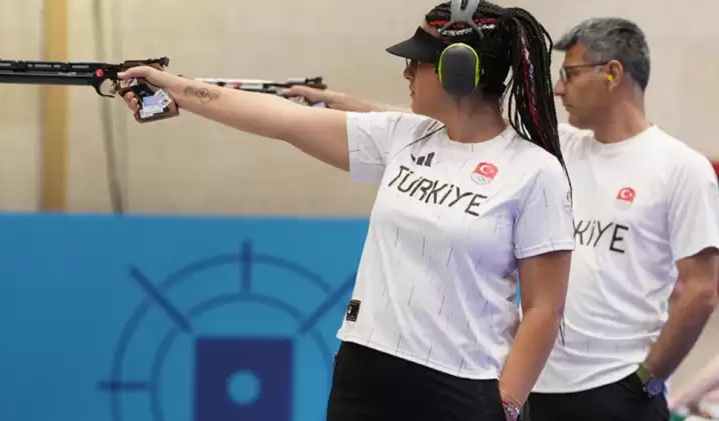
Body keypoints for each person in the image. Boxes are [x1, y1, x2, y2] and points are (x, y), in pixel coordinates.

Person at [114, 1, 575, 420]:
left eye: (416, 62)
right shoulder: (402, 137)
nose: (406, 73)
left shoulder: (535, 172)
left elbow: (544, 308)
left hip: (463, 385)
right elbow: (280, 120)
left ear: (458, 71)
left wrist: (505, 404)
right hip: (365, 371)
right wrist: (177, 88)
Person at [284, 15, 719, 421]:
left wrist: (646, 379)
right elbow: (433, 125)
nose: (558, 89)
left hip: (615, 388)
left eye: (570, 74)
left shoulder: (681, 169)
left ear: (613, 73)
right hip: (531, 384)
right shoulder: (551, 149)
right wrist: (338, 104)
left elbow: (701, 290)